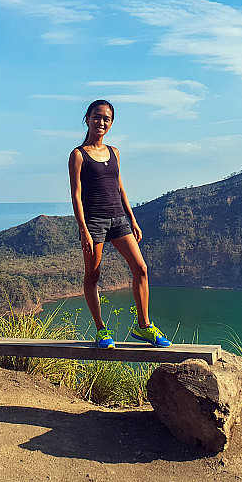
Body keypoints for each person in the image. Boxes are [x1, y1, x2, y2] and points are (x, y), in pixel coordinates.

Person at [68, 99, 170, 349]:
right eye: (97, 116)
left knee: (141, 269)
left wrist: (132, 220)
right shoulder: (78, 155)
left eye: (106, 118)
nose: (101, 121)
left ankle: (143, 326)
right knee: (93, 276)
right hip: (94, 222)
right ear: (87, 119)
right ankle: (101, 330)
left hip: (119, 219)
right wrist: (84, 230)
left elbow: (120, 188)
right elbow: (76, 195)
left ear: (111, 123)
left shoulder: (115, 152)